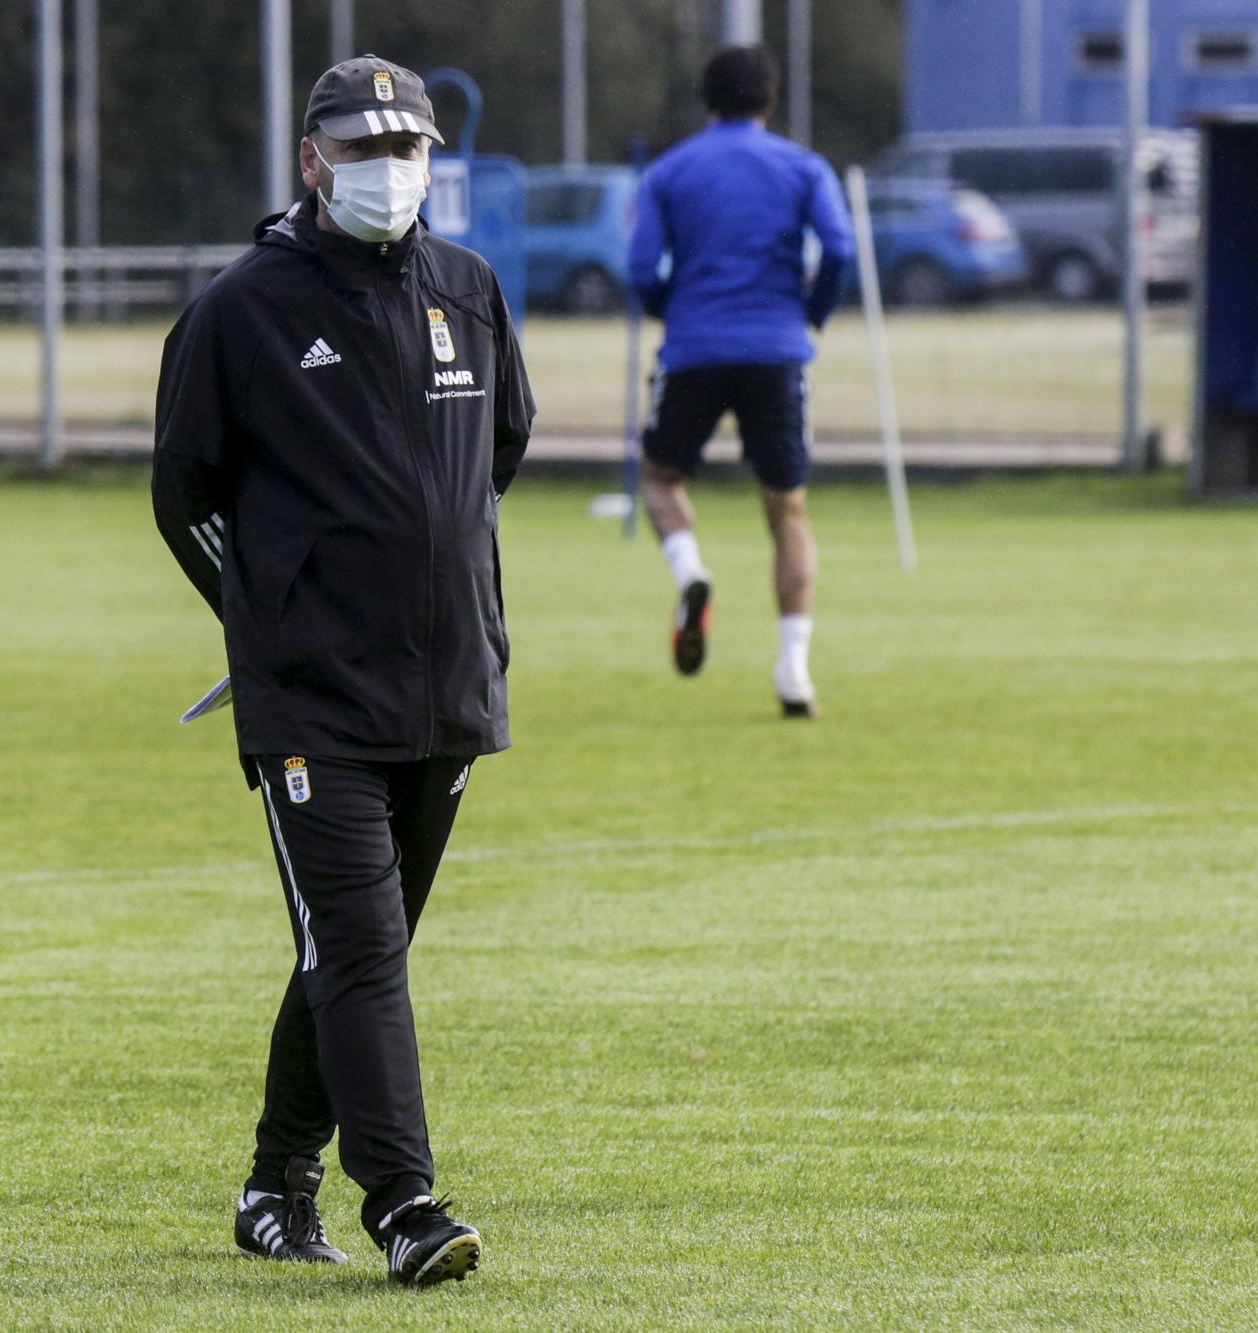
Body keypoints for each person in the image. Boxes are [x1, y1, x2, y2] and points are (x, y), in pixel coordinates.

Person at [152, 55, 534, 1286]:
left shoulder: (468, 291)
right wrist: (274, 617)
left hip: (449, 687)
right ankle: (406, 1205)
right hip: (312, 697)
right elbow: (184, 495)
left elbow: (497, 455)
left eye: (410, 149)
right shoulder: (239, 310)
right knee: (361, 948)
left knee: (351, 950)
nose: (392, 172)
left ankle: (273, 1185)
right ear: (312, 161)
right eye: (366, 151)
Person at [627, 44, 855, 716]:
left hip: (693, 348)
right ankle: (793, 673)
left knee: (660, 479)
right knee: (787, 510)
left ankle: (691, 572)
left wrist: (676, 311)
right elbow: (838, 248)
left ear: (708, 101)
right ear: (771, 100)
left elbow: (641, 268)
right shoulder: (804, 167)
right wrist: (810, 314)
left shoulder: (669, 173)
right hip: (778, 349)